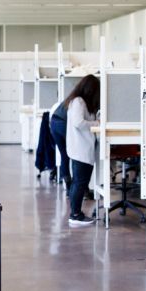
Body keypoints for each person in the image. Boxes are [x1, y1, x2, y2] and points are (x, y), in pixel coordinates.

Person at [60, 74, 101, 226]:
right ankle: (75, 215)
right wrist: (96, 123)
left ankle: (76, 212)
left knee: (79, 182)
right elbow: (79, 123)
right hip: (80, 149)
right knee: (80, 183)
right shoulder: (78, 101)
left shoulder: (80, 101)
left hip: (81, 148)